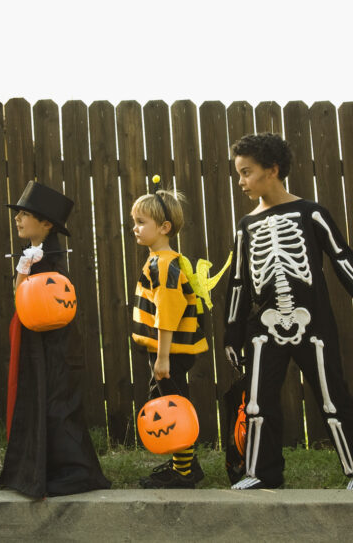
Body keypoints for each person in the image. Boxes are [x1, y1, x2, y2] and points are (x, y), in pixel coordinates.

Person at [222, 132, 353, 490]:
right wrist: (232, 334)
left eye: (247, 172)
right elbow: (238, 283)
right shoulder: (246, 226)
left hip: (312, 322)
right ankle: (261, 473)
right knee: (257, 403)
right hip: (264, 326)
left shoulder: (311, 213)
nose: (241, 182)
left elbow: (343, 259)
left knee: (333, 397)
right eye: (238, 173)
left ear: (273, 170)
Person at [0, 180, 110, 498]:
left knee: (56, 405)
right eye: (17, 214)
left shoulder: (52, 261)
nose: (17, 219)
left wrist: (28, 270)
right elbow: (20, 300)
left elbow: (41, 304)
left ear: (46, 223)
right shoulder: (33, 256)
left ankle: (74, 472)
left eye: (24, 214)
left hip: (55, 345)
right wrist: (23, 268)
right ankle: (40, 468)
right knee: (38, 401)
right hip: (37, 342)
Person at [130, 187, 209, 488]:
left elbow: (168, 312)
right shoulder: (162, 260)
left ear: (164, 228)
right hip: (170, 350)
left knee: (171, 406)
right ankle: (186, 464)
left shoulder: (162, 264)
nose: (135, 228)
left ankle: (185, 473)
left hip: (170, 351)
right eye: (134, 221)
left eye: (141, 222)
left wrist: (162, 357)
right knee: (171, 400)